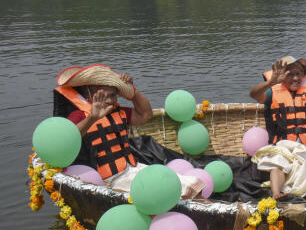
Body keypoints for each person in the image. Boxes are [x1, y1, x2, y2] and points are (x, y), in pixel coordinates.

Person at [53, 64, 204, 198]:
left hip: (132, 169)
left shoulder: (117, 111)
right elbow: (67, 140)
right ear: (90, 91)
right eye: (106, 95)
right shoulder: (79, 115)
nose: (111, 100)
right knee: (171, 190)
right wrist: (92, 118)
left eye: (114, 95)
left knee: (193, 184)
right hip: (110, 180)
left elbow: (146, 114)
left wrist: (133, 92)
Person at [249, 56, 306, 199]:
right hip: (284, 146)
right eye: (290, 74)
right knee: (277, 159)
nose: (295, 78)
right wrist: (271, 82)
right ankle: (276, 193)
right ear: (282, 76)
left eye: (298, 74)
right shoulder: (272, 91)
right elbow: (254, 94)